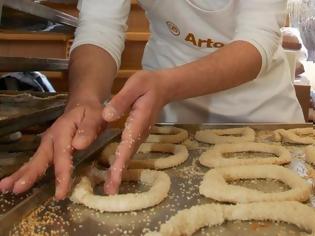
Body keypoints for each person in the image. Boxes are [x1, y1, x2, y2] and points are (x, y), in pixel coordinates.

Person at [0, 0, 305, 200]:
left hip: (263, 112)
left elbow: (258, 39)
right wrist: (85, 100)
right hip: (170, 123)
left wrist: (168, 85)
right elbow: (100, 27)